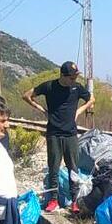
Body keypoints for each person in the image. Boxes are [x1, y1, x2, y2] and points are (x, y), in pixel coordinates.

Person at [23, 61, 94, 213]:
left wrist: (79, 111)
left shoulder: (77, 88)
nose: (73, 81)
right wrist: (42, 109)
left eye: (75, 77)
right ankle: (53, 200)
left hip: (70, 134)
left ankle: (74, 201)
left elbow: (91, 99)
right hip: (54, 133)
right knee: (54, 168)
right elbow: (27, 95)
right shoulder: (49, 86)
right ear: (63, 75)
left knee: (73, 168)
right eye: (71, 78)